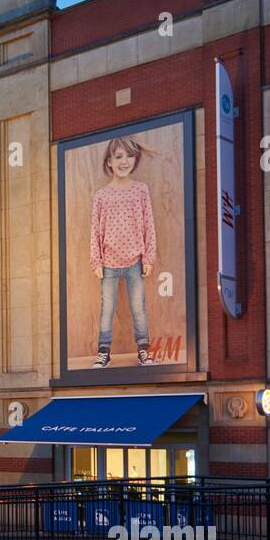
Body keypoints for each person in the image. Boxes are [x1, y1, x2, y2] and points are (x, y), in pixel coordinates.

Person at [89, 135, 157, 367]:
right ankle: (103, 351)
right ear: (109, 161)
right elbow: (95, 231)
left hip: (134, 260)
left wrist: (148, 256)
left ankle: (144, 350)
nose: (124, 161)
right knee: (107, 308)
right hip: (108, 262)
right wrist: (96, 261)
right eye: (119, 156)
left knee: (138, 307)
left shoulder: (141, 190)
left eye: (129, 156)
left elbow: (149, 223)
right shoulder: (101, 196)